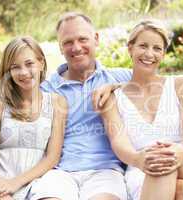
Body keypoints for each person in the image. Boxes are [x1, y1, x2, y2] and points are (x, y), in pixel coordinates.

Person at [100, 20, 183, 200]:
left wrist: (181, 153)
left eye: (157, 48)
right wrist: (138, 159)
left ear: (164, 53)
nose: (149, 54)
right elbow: (119, 143)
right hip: (141, 169)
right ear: (130, 48)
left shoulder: (181, 86)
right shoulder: (112, 98)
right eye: (143, 46)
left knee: (163, 159)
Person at [30, 12, 132, 200]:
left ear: (96, 39)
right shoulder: (46, 88)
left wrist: (115, 86)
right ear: (60, 48)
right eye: (68, 42)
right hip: (60, 172)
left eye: (82, 39)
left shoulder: (119, 77)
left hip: (106, 172)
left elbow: (160, 86)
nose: (76, 48)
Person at [0, 36, 67, 200]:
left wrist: (15, 183)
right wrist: (1, 192)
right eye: (15, 67)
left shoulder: (57, 102)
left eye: (29, 64)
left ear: (41, 63)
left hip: (38, 181)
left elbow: (52, 157)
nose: (23, 72)